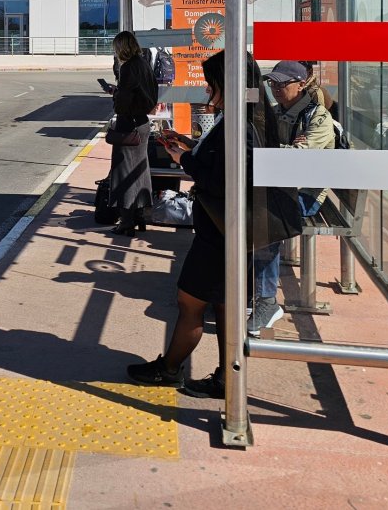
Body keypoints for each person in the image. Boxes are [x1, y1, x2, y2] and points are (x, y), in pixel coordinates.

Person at [125, 51, 301, 398]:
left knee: (190, 302)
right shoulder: (248, 115)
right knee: (224, 305)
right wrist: (191, 146)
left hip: (220, 233)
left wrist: (184, 159)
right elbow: (226, 162)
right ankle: (225, 377)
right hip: (227, 232)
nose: (208, 91)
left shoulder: (240, 124)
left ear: (228, 83)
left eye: (212, 84)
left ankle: (169, 369)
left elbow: (225, 178)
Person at [249, 59, 336, 335]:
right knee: (246, 209)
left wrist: (279, 150)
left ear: (300, 85)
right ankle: (247, 291)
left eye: (282, 83)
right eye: (272, 83)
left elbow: (299, 161)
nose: (276, 88)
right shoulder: (277, 111)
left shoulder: (317, 117)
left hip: (306, 195)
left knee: (266, 224)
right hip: (282, 186)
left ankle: (266, 301)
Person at [105, 31, 158, 237]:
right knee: (140, 170)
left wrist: (115, 93)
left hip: (129, 125)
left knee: (123, 171)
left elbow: (123, 103)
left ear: (121, 47)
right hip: (143, 123)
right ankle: (140, 214)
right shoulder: (144, 64)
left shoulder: (127, 68)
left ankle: (126, 221)